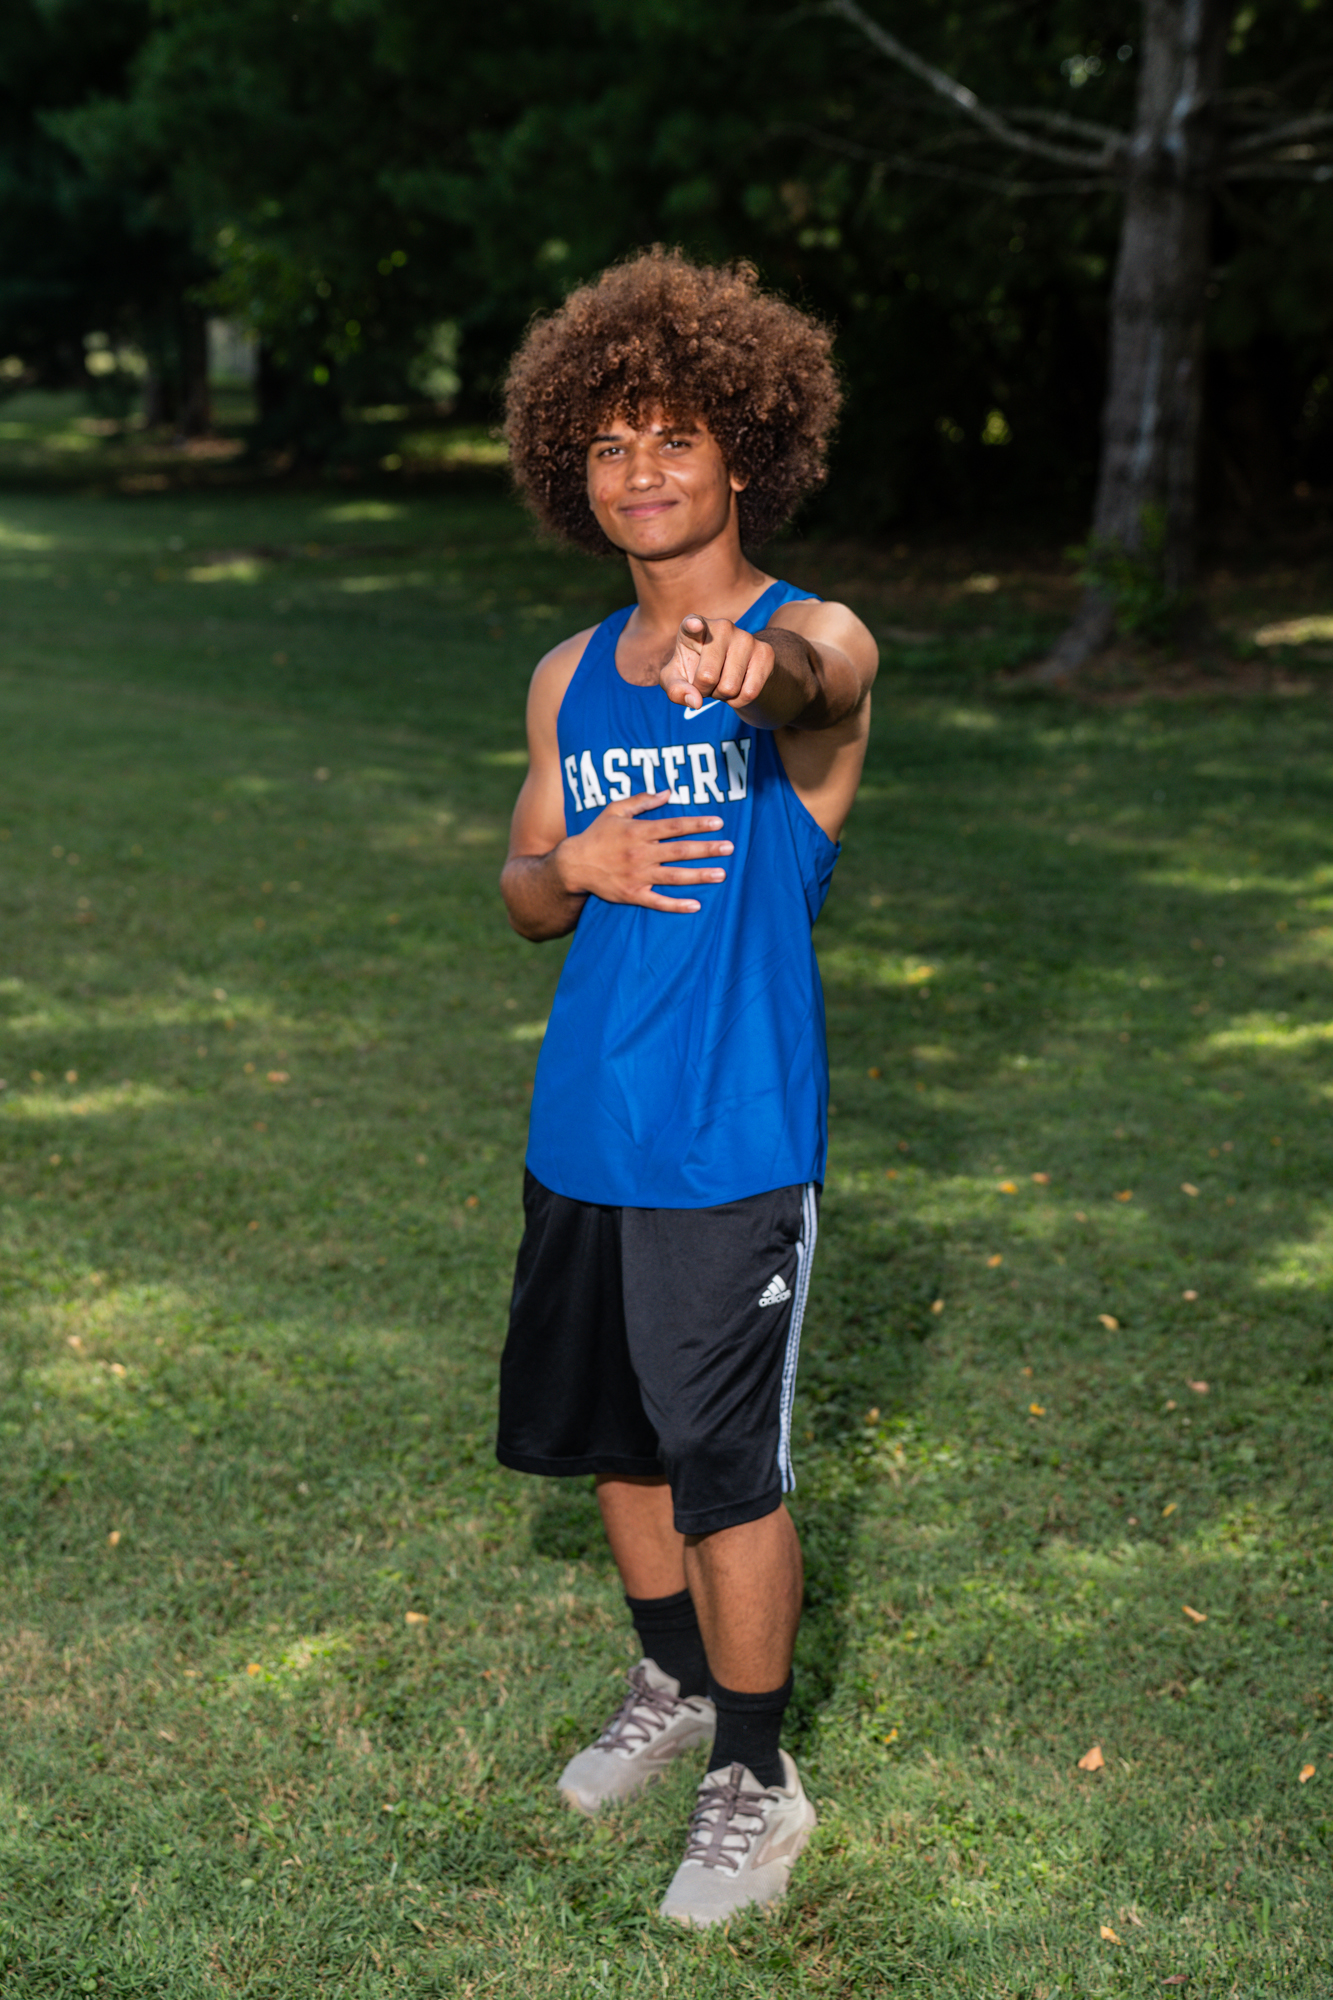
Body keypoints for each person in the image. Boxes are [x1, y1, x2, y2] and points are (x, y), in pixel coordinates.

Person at [495, 247, 877, 1927]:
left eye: (673, 435)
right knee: (620, 1441)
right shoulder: (564, 673)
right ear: (567, 468)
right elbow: (522, 891)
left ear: (743, 453)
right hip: (585, 1122)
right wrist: (566, 862)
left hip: (731, 1139)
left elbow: (826, 679)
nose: (637, 468)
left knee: (723, 1461)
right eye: (606, 441)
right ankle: (670, 1682)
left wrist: (750, 671)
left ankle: (757, 1775)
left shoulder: (808, 634)